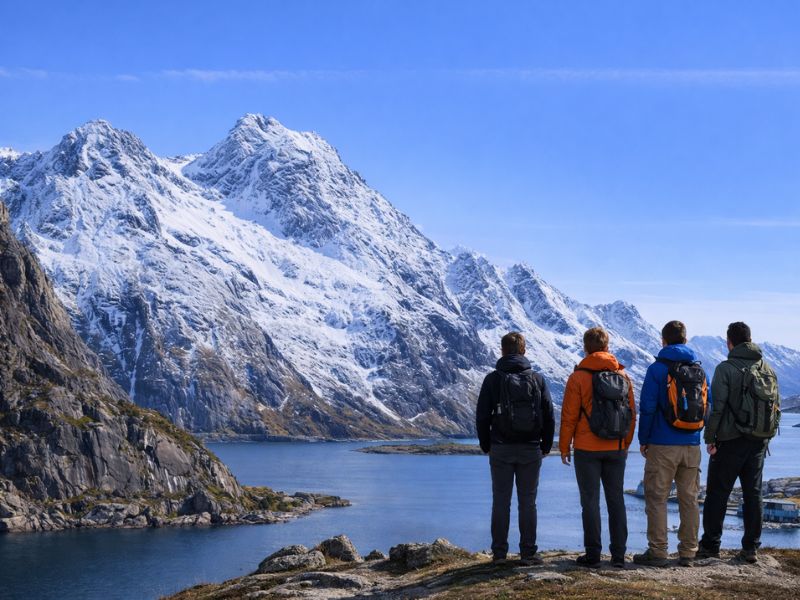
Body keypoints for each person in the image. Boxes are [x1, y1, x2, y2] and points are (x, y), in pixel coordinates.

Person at [697, 322, 780, 564]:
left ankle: (711, 546)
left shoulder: (726, 368)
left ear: (729, 342)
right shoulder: (767, 368)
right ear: (750, 339)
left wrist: (710, 438)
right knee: (753, 494)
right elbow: (776, 408)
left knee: (717, 494)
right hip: (758, 441)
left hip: (730, 441)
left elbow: (717, 409)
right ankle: (751, 548)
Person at [634, 321, 709, 568]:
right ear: (685, 340)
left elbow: (647, 408)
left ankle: (658, 551)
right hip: (692, 444)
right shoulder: (699, 369)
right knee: (689, 498)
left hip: (662, 443)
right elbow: (709, 407)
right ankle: (688, 551)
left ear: (663, 341)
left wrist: (643, 439)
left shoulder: (657, 369)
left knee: (657, 497)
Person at [476, 331, 555, 565]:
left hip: (500, 447)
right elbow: (549, 415)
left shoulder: (492, 379)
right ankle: (528, 552)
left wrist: (486, 445)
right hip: (531, 448)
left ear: (502, 351)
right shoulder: (537, 379)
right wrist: (546, 445)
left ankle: (499, 553)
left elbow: (482, 416)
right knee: (528, 501)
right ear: (524, 351)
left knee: (501, 501)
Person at [560, 327, 636, 568]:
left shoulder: (578, 377)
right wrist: (625, 442)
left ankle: (593, 555)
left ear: (586, 347)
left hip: (586, 449)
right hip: (616, 447)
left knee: (590, 502)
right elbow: (632, 415)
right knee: (616, 500)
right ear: (607, 347)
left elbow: (569, 417)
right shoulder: (623, 376)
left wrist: (564, 447)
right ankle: (619, 556)